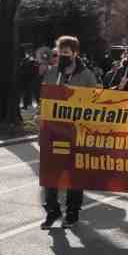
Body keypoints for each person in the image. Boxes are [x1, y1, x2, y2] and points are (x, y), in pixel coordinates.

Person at [41, 36, 100, 229]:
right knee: (51, 174)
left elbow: (95, 101)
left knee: (74, 175)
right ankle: (52, 210)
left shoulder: (86, 75)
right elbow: (45, 98)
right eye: (61, 52)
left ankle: (72, 211)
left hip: (75, 132)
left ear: (75, 53)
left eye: (67, 52)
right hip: (53, 132)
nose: (63, 56)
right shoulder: (52, 73)